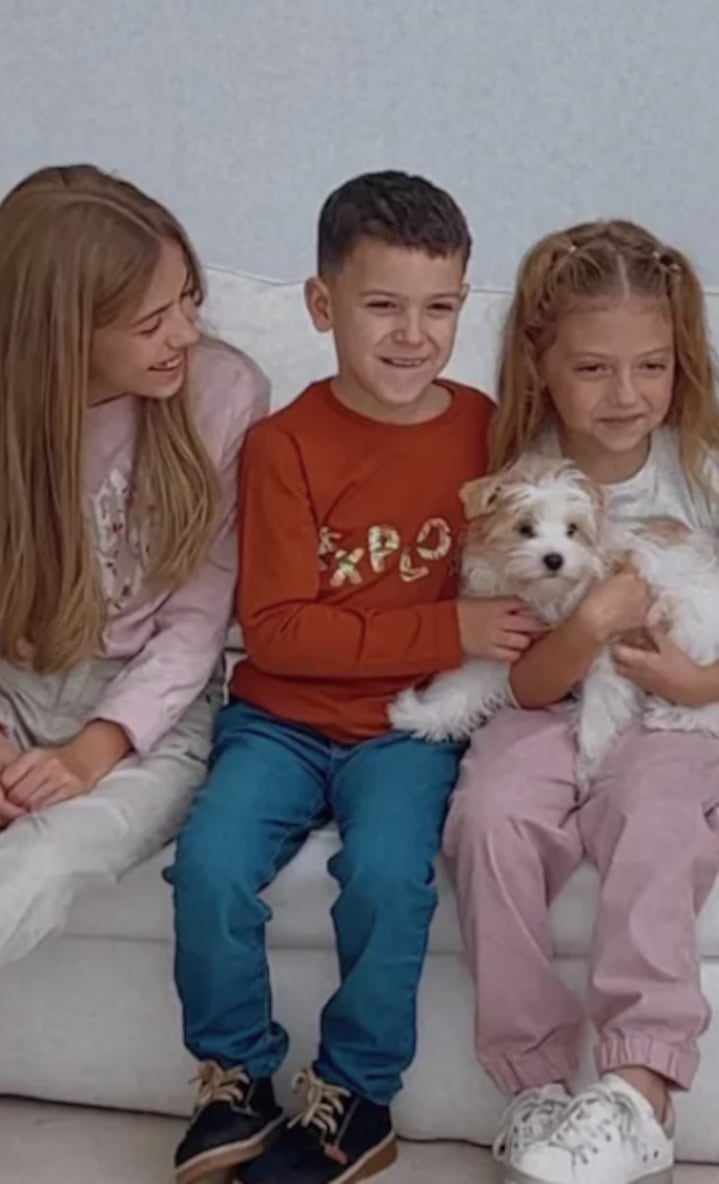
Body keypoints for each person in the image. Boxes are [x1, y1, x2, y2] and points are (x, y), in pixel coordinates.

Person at [167, 170, 542, 1184]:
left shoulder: (484, 426)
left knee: (385, 876)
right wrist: (447, 623)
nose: (412, 334)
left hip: (408, 728)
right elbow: (281, 633)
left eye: (439, 307)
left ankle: (353, 1096)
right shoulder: (281, 445)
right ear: (321, 304)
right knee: (206, 864)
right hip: (279, 721)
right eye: (382, 305)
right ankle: (233, 1075)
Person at [0, 164, 268, 1084]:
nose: (185, 333)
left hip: (152, 725)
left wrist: (97, 748)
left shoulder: (222, 395)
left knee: (43, 865)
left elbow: (200, 622)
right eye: (151, 321)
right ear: (64, 336)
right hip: (4, 694)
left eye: (188, 301)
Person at [443, 218, 719, 1184]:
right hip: (547, 703)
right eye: (595, 369)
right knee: (488, 813)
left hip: (675, 708)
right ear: (542, 363)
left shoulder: (703, 466)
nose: (628, 395)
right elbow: (520, 679)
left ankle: (638, 1094)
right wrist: (592, 621)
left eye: (652, 366)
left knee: (654, 816)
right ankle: (535, 1089)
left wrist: (698, 683)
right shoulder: (520, 480)